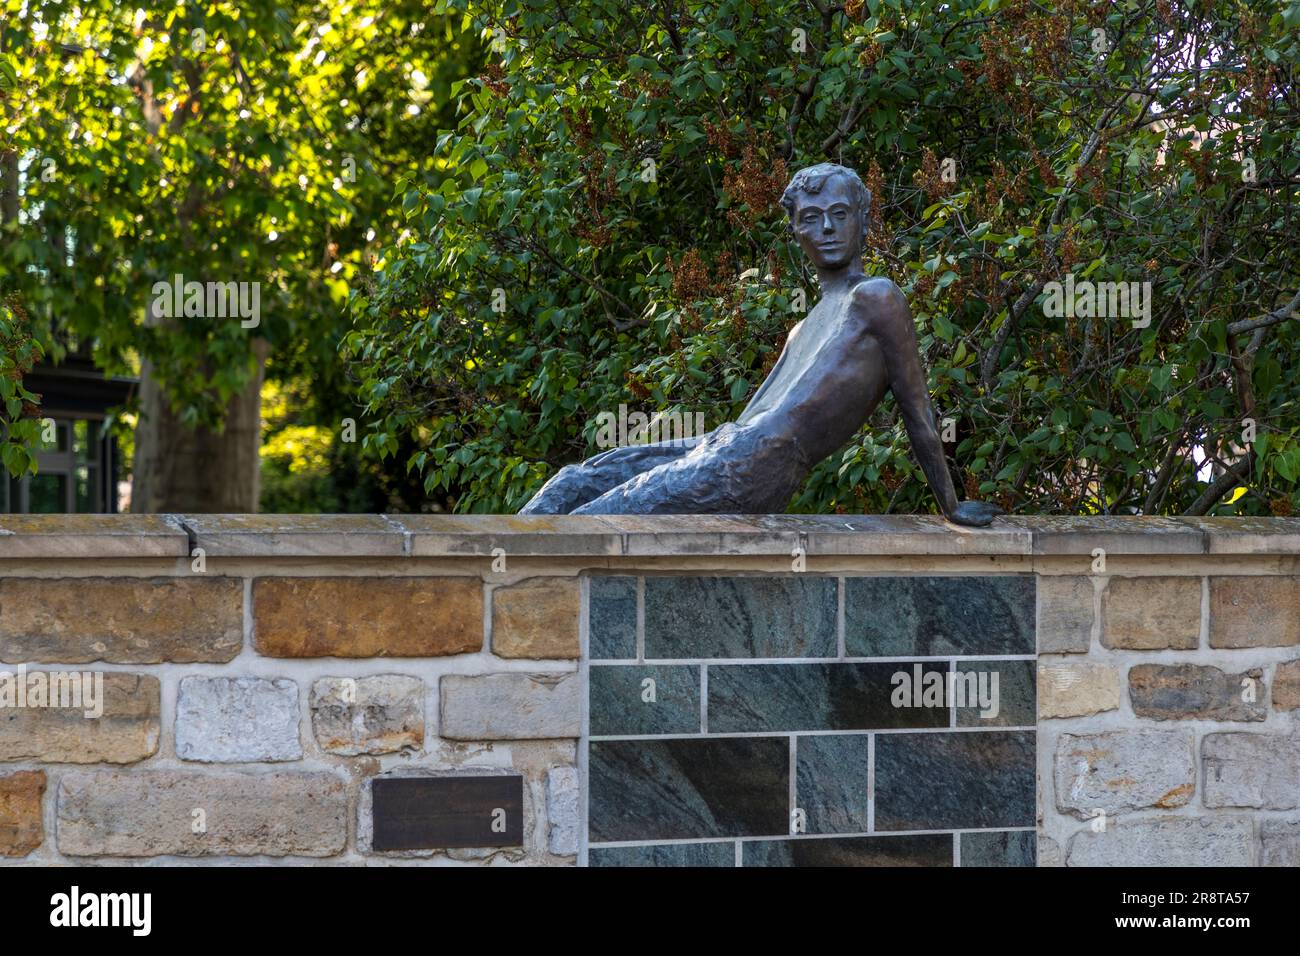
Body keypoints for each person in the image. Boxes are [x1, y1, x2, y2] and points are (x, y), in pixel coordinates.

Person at [520, 162, 1002, 527]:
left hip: (759, 465)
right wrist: (698, 450)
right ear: (796, 232)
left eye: (840, 215)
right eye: (812, 219)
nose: (828, 229)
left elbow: (917, 409)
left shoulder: (876, 298)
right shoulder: (805, 326)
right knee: (571, 482)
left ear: (865, 219)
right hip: (728, 445)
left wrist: (951, 504)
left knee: (597, 518)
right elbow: (741, 425)